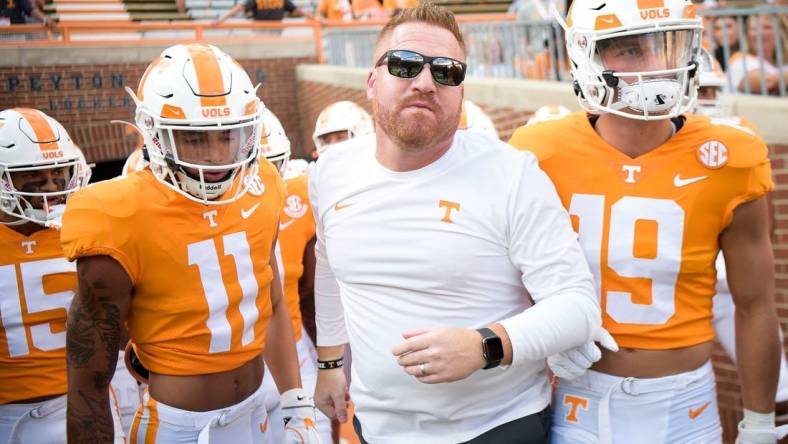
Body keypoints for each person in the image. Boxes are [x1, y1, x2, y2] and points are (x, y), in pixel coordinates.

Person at [311, 3, 605, 443]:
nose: (426, 83)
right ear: (372, 81)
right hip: (379, 429)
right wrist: (331, 364)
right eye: (406, 65)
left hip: (497, 426)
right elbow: (331, 266)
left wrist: (485, 345)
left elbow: (578, 306)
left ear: (461, 92)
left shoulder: (511, 173)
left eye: (447, 72)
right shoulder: (332, 171)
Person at [510, 1, 785, 442]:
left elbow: (754, 307)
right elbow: (508, 277)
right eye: (632, 50)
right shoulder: (538, 150)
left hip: (686, 408)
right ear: (585, 54)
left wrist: (758, 422)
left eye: (668, 46)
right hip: (578, 400)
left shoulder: (732, 157)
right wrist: (545, 330)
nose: (658, 66)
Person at [60, 43, 318, 443]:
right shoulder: (116, 211)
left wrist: (296, 401)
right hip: (178, 426)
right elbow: (88, 379)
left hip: (259, 409)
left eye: (228, 136)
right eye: (195, 138)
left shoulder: (264, 181)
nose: (216, 157)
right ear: (154, 134)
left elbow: (274, 299)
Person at [0, 108, 126, 443]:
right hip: (10, 416)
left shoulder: (86, 225)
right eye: (33, 178)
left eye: (58, 175)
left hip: (91, 401)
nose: (51, 187)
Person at [695, 47, 788, 423]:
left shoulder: (736, 139)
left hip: (725, 279)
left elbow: (766, 228)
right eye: (702, 92)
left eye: (714, 91)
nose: (710, 101)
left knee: (777, 393)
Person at [259, 107, 333, 443]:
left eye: (274, 166)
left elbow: (311, 292)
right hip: (223, 367)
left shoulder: (301, 194)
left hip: (292, 347)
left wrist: (325, 358)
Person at [727, 14, 788, 95]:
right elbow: (767, 82)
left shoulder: (784, 64)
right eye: (754, 28)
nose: (759, 32)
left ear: (781, 32)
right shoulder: (739, 59)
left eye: (767, 27)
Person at [214, 0, 313, 24]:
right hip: (260, 30)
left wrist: (316, 18)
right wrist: (221, 19)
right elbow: (240, 8)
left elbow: (297, 10)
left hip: (276, 30)